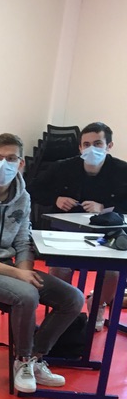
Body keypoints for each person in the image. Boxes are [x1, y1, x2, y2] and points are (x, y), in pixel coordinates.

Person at [0, 133, 84, 394]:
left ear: (20, 163)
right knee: (26, 295)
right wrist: (18, 276)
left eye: (10, 159)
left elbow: (23, 242)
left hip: (6, 267)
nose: (3, 164)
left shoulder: (22, 196)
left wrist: (23, 270)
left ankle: (34, 358)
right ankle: (21, 360)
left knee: (73, 298)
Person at [30, 122, 127, 329]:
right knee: (61, 268)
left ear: (109, 146)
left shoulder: (122, 170)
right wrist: (55, 199)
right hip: (66, 233)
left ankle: (97, 304)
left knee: (113, 273)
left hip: (104, 237)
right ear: (80, 148)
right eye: (86, 144)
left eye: (98, 143)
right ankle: (64, 309)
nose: (92, 149)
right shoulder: (62, 167)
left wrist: (105, 207)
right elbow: (33, 189)